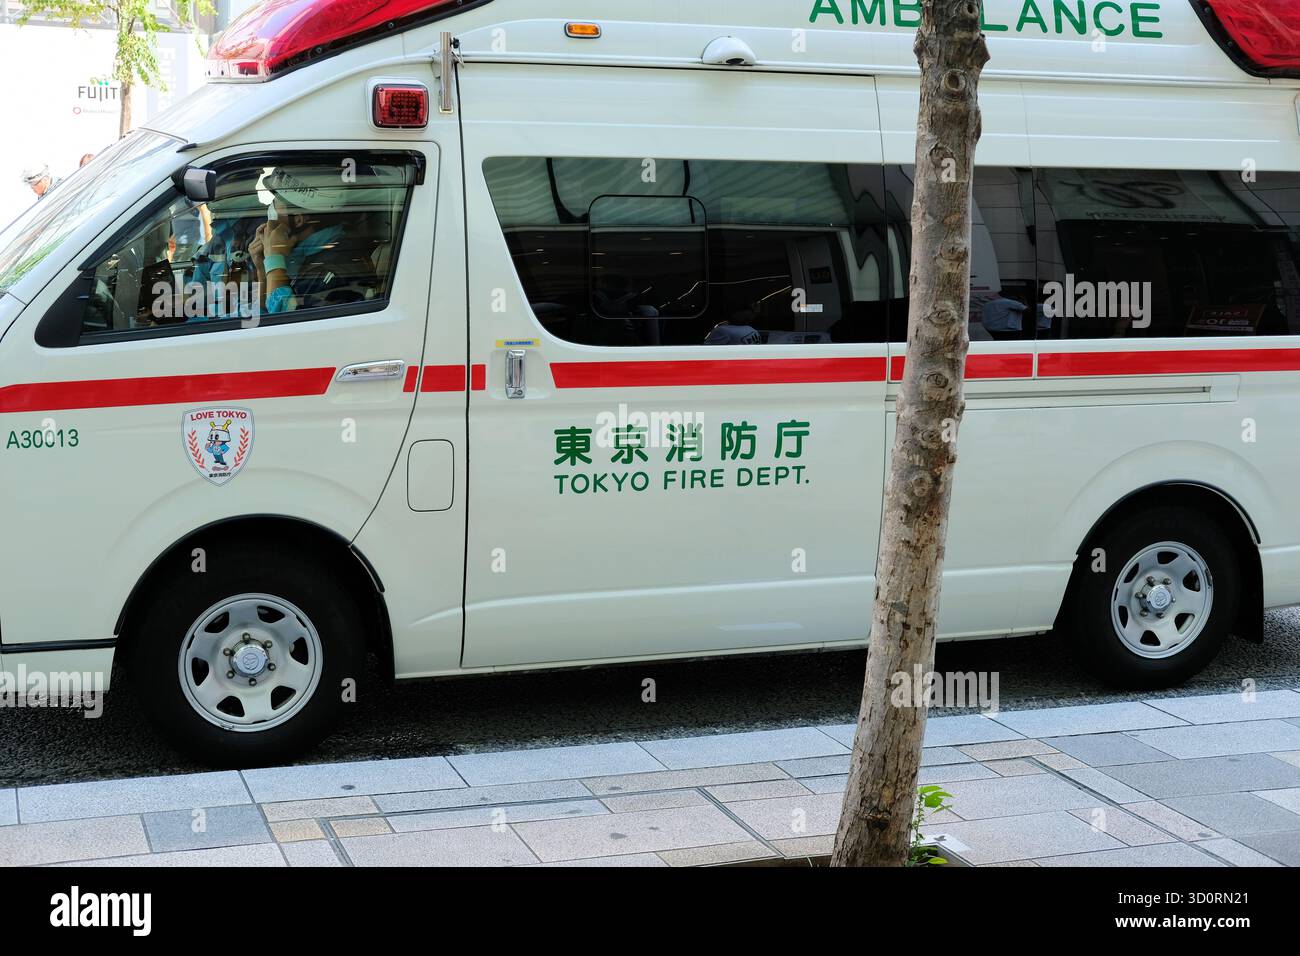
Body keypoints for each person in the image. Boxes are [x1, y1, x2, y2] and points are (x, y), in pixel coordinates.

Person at [248, 167, 382, 314]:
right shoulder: (311, 254)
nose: (270, 208)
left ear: (298, 220)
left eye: (275, 203)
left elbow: (284, 325)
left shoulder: (333, 269)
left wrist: (274, 263)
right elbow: (260, 318)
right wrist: (263, 269)